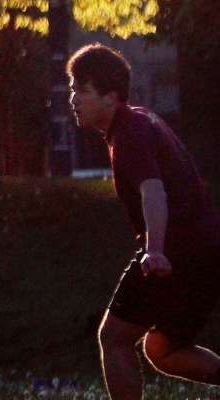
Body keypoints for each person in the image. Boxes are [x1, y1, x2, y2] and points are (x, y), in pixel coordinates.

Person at [71, 43, 220, 400]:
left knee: (113, 337)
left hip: (177, 253)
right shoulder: (138, 121)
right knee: (162, 349)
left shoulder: (129, 134)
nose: (73, 99)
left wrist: (154, 250)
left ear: (110, 97)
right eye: (73, 88)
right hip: (206, 251)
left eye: (82, 90)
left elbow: (153, 190)